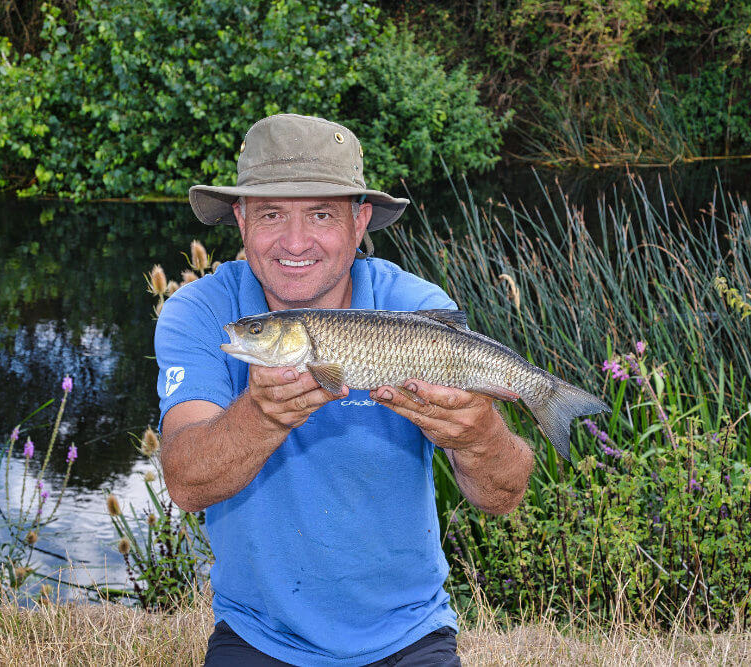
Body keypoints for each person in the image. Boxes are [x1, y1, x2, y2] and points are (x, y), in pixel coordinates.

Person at [155, 114, 534, 666]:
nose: (294, 241)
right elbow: (186, 484)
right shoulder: (201, 312)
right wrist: (261, 416)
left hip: (409, 634)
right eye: (270, 214)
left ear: (360, 224)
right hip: (260, 633)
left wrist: (480, 437)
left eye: (322, 214)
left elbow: (503, 497)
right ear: (239, 220)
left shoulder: (413, 307)